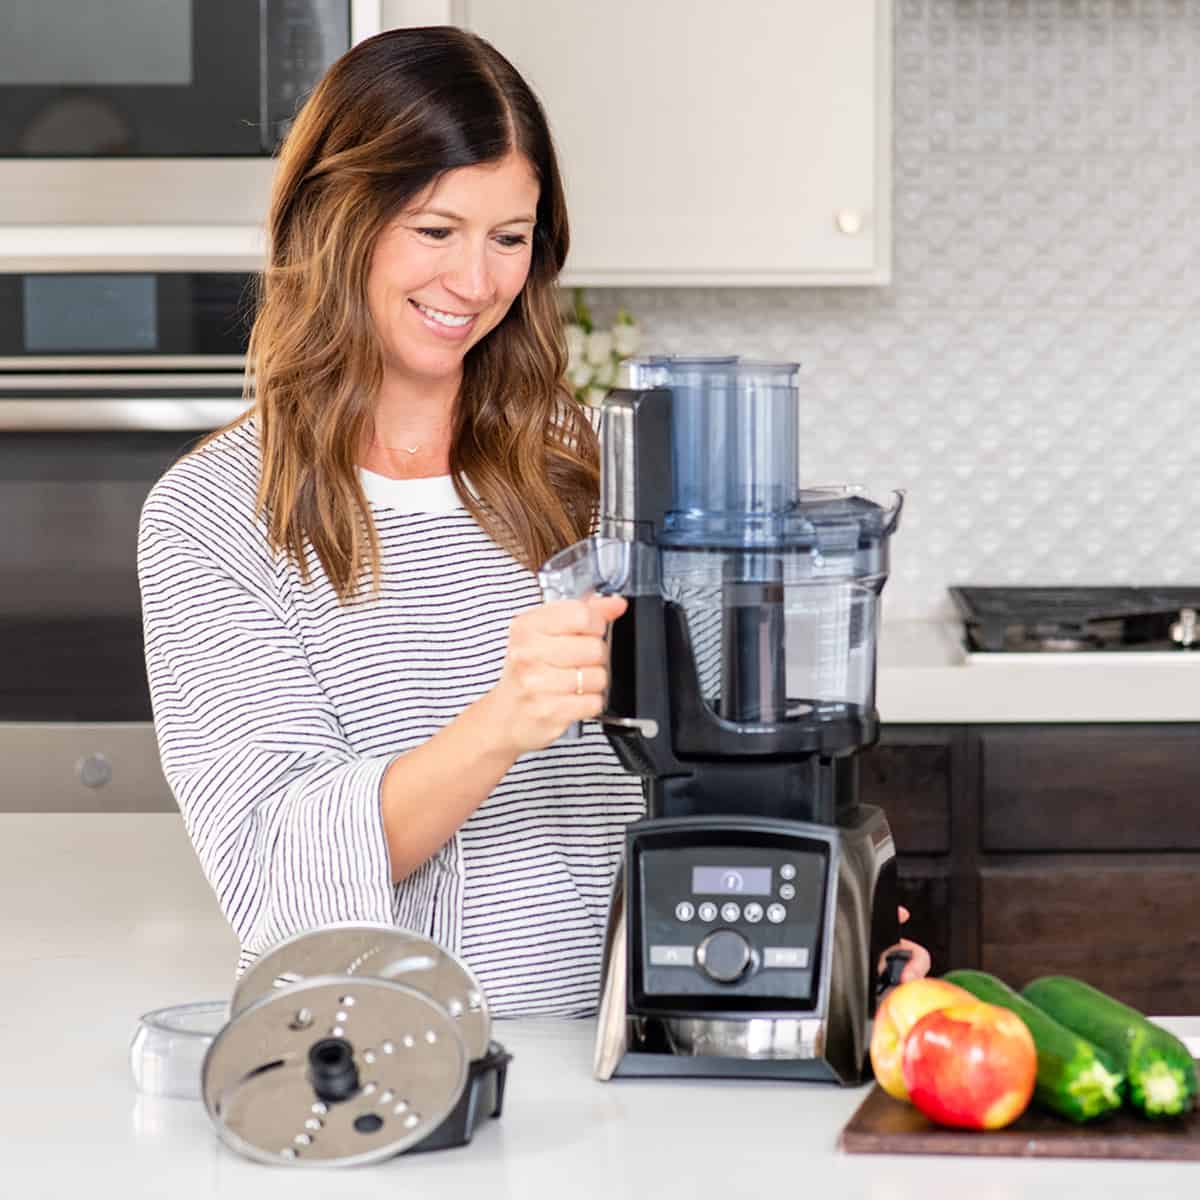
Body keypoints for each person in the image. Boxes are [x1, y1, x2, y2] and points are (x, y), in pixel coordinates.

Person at [138, 27, 928, 1017]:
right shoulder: (215, 520)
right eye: (436, 231)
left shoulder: (599, 471)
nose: (475, 283)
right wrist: (501, 723)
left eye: (509, 238)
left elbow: (719, 768)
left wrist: (831, 926)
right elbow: (276, 862)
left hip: (651, 1043)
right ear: (330, 219)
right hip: (412, 1063)